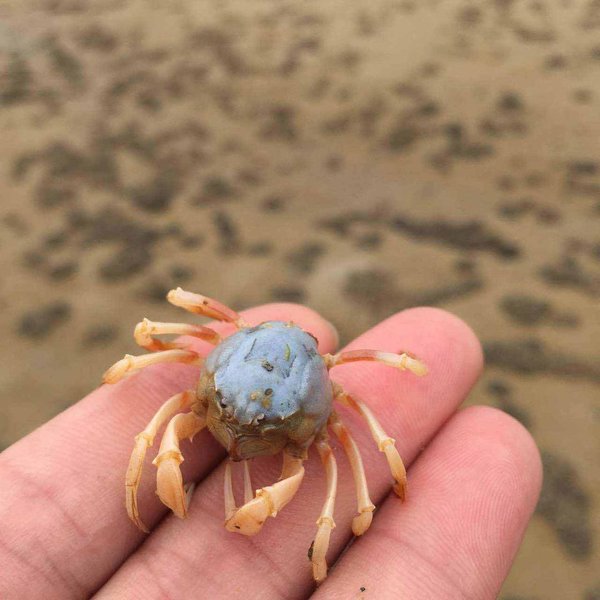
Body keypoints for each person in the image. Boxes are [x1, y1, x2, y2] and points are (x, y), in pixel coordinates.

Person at [0, 303, 542, 599]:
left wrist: (358, 505)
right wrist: (151, 346)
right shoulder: (213, 364)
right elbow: (148, 342)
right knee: (156, 435)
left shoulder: (333, 402)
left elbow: (376, 445)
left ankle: (314, 535)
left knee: (338, 471)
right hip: (230, 387)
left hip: (291, 416)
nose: (239, 431)